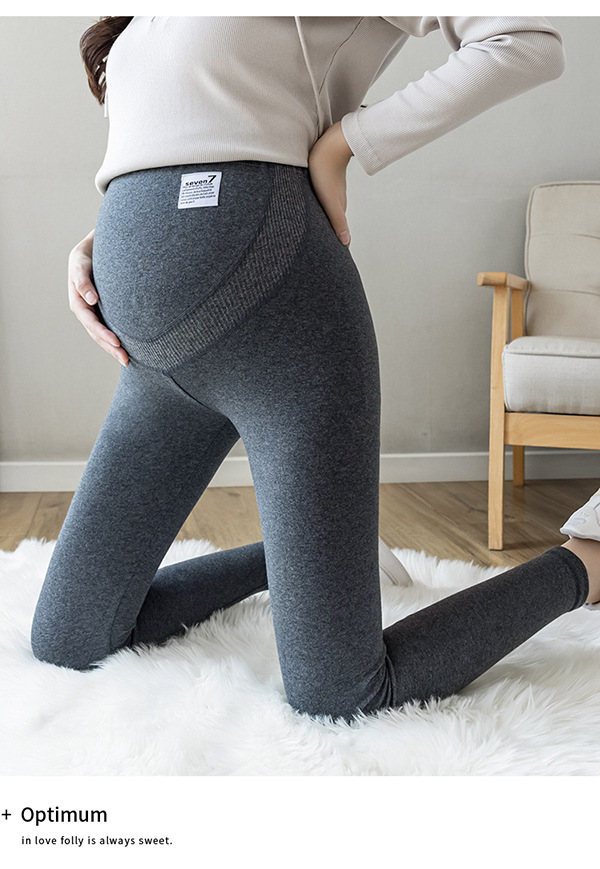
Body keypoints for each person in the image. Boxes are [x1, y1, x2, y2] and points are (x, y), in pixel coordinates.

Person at [30, 16, 600, 722]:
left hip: (287, 331)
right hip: (156, 364)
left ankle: (585, 561)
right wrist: (107, 240)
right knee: (69, 638)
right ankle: (303, 558)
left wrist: (346, 142)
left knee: (340, 693)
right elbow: (179, 136)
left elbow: (524, 42)